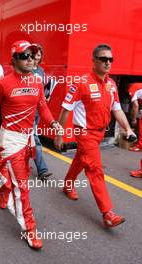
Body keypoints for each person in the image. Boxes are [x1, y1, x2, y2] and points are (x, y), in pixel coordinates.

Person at [0, 40, 61, 249]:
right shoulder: (2, 84)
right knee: (22, 187)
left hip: (28, 139)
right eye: (24, 55)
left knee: (18, 178)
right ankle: (29, 229)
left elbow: (42, 106)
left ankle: (0, 191)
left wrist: (53, 123)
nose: (30, 59)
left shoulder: (36, 81)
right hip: (10, 140)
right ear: (14, 59)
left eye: (32, 55)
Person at [55, 44, 136, 228]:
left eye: (110, 59)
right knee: (95, 169)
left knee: (80, 160)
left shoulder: (111, 84)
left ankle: (68, 185)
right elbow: (65, 110)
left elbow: (117, 110)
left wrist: (128, 129)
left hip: (99, 133)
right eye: (103, 59)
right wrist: (59, 134)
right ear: (94, 61)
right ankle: (107, 213)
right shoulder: (81, 82)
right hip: (84, 133)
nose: (108, 63)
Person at [32, 44, 53, 180]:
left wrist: (46, 95)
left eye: (38, 55)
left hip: (39, 109)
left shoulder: (40, 71)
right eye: (34, 55)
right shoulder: (26, 70)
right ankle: (42, 169)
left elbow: (43, 87)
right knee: (35, 139)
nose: (35, 58)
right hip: (29, 110)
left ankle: (21, 163)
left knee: (30, 139)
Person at [128, 83, 142, 152]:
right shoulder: (139, 86)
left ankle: (140, 146)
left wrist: (133, 119)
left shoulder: (132, 89)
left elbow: (135, 105)